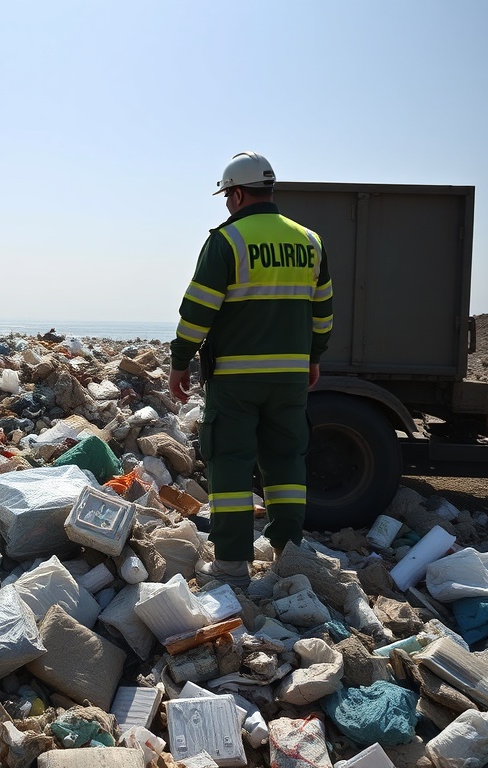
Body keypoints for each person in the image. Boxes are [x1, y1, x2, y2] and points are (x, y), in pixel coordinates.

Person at [168, 151, 333, 589]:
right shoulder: (310, 241)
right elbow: (324, 311)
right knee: (285, 464)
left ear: (238, 194)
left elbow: (198, 310)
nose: (226, 204)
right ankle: (288, 552)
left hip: (237, 380)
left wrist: (180, 362)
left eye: (226, 197)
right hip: (290, 378)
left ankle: (232, 564)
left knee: (230, 465)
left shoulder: (227, 241)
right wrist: (314, 357)